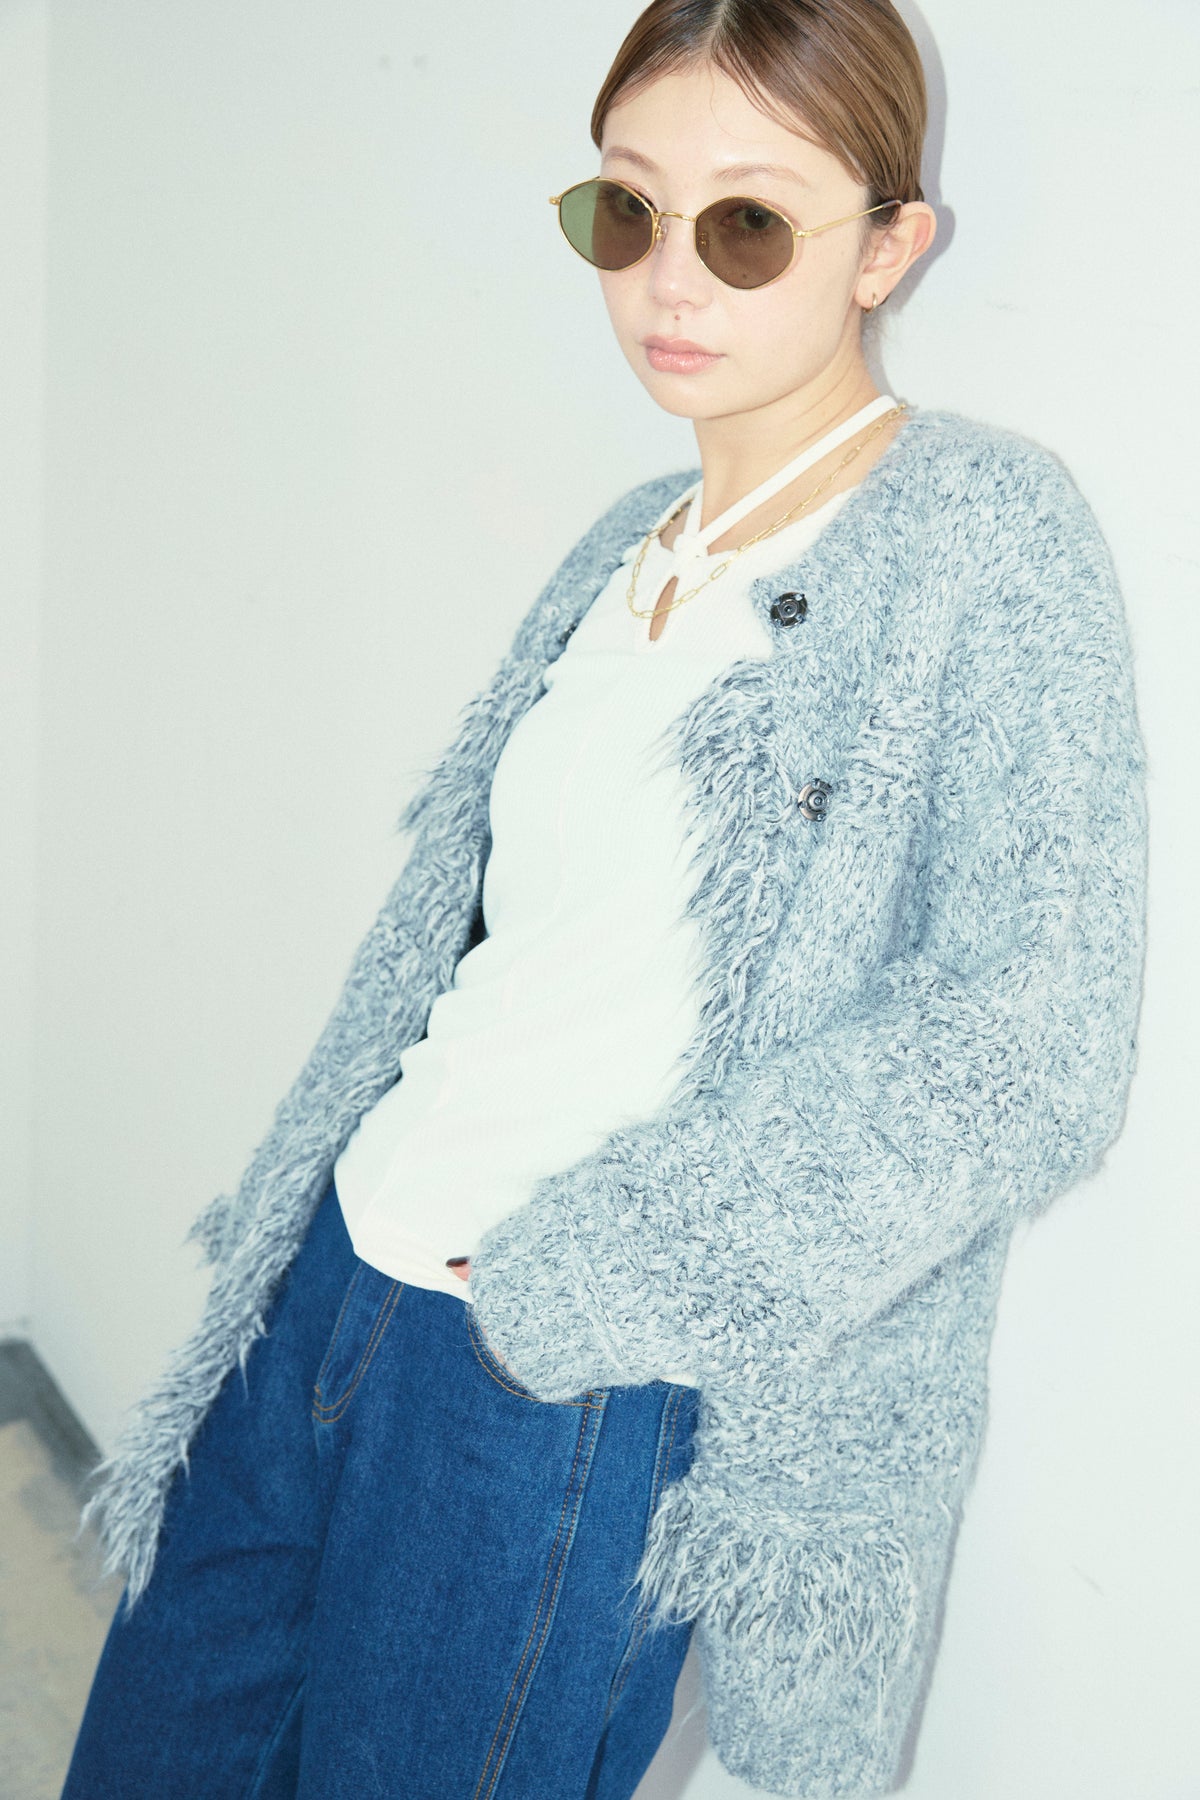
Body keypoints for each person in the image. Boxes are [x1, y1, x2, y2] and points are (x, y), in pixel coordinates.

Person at [64, 2, 1148, 1796]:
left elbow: (1032, 1041)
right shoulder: (623, 540)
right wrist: (317, 1223)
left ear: (889, 246)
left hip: (556, 1386)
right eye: (626, 210)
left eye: (748, 222)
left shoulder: (985, 539)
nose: (669, 276)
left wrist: (598, 1274)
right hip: (327, 1294)